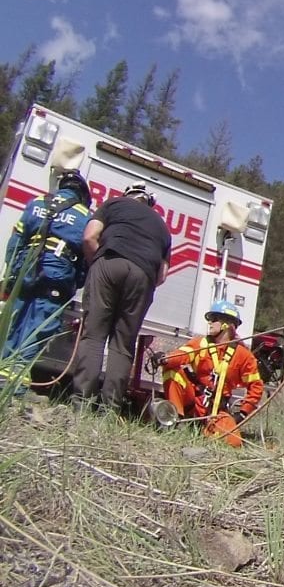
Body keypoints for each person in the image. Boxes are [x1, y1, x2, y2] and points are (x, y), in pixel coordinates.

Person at [71, 182, 171, 410]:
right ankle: (110, 408)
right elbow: (162, 274)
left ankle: (82, 403)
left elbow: (89, 237)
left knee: (94, 335)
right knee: (123, 343)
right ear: (149, 202)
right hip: (143, 275)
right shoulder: (162, 227)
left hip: (109, 261)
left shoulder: (113, 204)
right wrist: (144, 285)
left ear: (127, 195)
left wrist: (95, 264)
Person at [1, 170, 92, 379]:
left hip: (25, 270)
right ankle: (15, 385)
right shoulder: (85, 216)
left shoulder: (36, 203)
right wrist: (76, 283)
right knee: (38, 329)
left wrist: (13, 270)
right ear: (81, 194)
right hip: (56, 276)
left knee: (13, 323)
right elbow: (86, 257)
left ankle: (2, 375)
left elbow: (16, 240)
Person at [153, 300, 265, 449]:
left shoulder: (243, 355)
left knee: (233, 442)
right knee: (172, 371)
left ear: (227, 324)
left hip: (216, 409)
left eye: (214, 319)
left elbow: (255, 387)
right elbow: (181, 355)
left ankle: (206, 428)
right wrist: (165, 359)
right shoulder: (200, 344)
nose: (210, 323)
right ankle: (175, 420)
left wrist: (243, 413)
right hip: (193, 400)